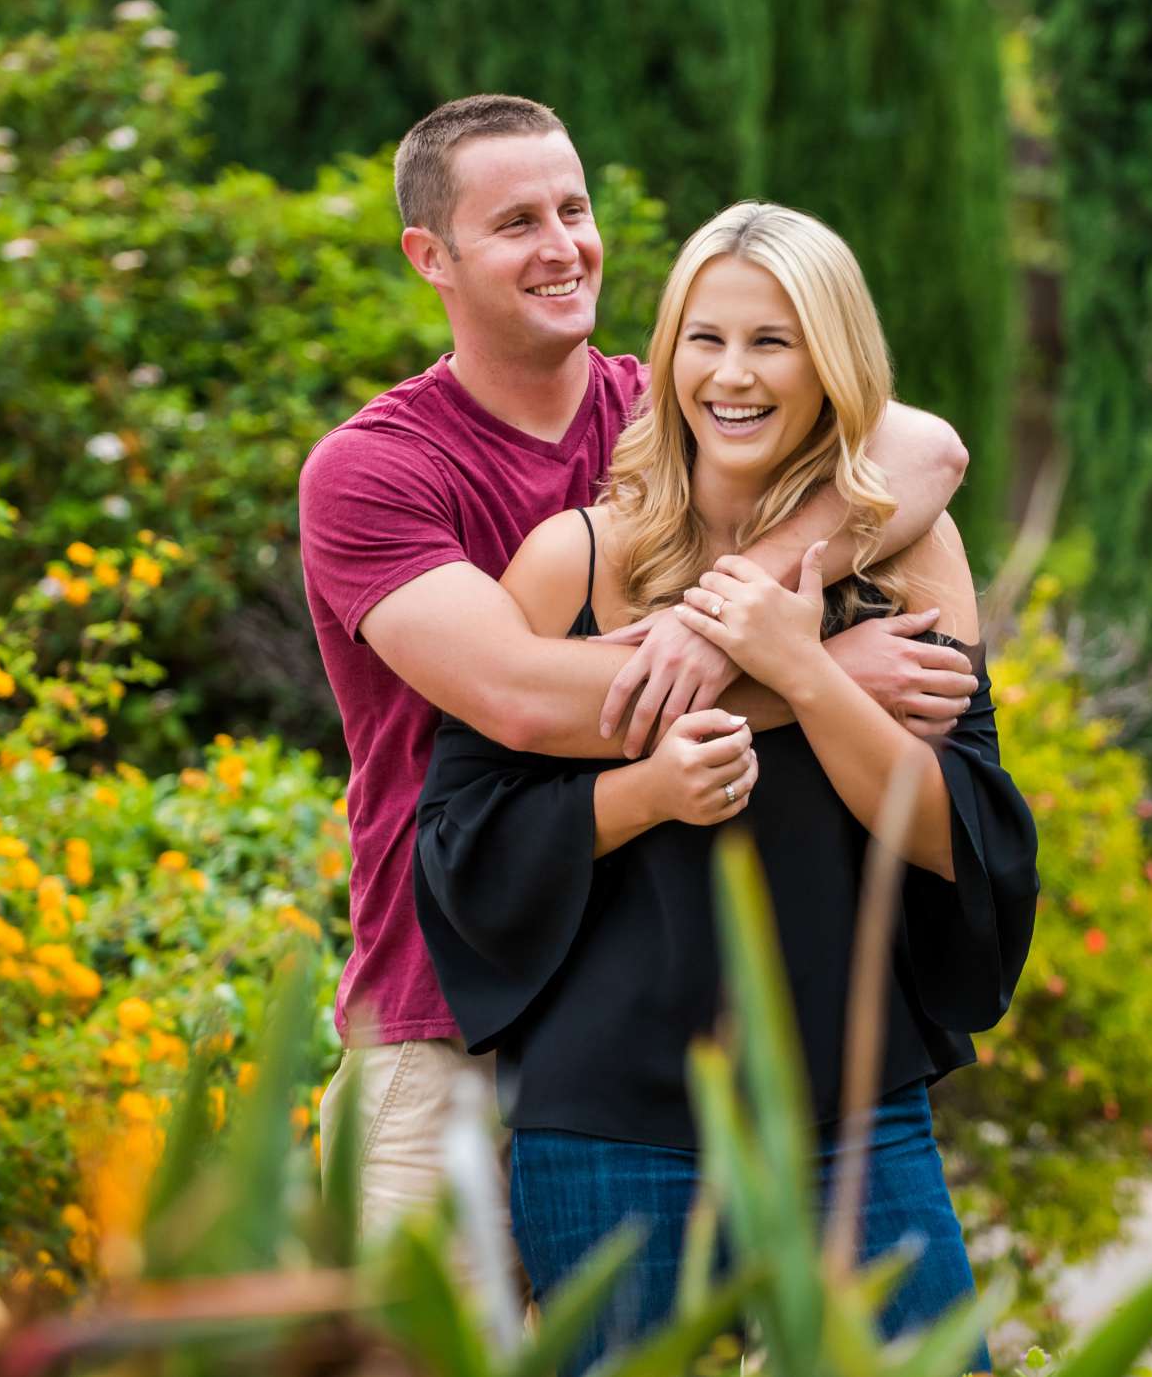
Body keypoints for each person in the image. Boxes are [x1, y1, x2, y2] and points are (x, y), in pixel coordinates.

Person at [296, 95, 981, 1241]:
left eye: (575, 207)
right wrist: (818, 674)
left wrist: (724, 614)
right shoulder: (376, 470)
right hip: (446, 1014)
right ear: (431, 256)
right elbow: (523, 699)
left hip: (656, 1018)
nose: (563, 246)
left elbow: (925, 447)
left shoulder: (665, 413)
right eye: (517, 221)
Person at [414, 201, 1039, 1372]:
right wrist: (649, 792)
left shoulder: (913, 557)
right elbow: (459, 843)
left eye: (775, 340)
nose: (734, 376)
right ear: (666, 360)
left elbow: (960, 841)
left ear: (833, 362)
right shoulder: (576, 562)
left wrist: (802, 666)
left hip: (848, 1112)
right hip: (609, 1120)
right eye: (705, 339)